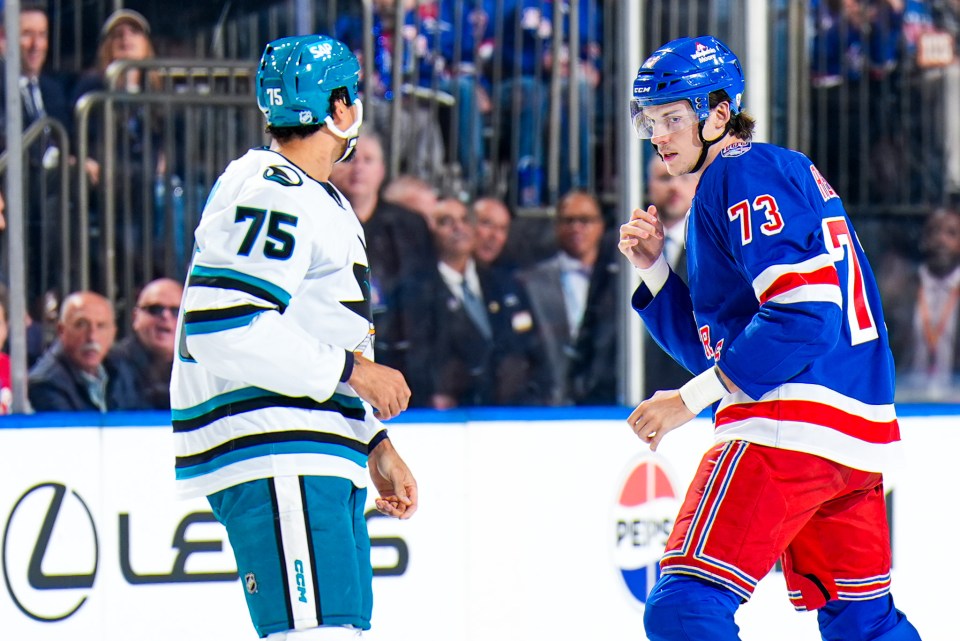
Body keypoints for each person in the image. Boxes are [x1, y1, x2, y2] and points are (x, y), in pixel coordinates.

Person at [619, 36, 921, 641]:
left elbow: (804, 314)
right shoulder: (764, 174)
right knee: (865, 625)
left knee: (684, 609)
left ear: (719, 113)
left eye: (674, 117)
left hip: (787, 426)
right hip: (851, 438)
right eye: (650, 120)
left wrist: (688, 400)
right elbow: (731, 344)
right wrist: (656, 270)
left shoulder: (742, 171)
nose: (659, 134)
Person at [170, 35, 417, 640]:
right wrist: (357, 374)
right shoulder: (273, 189)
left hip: (317, 447)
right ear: (339, 109)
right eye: (351, 95)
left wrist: (372, 438)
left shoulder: (313, 196)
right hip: (281, 449)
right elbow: (221, 326)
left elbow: (319, 330)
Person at [391, 197, 546, 407]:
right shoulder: (415, 291)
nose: (458, 228)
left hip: (510, 412)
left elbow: (533, 348)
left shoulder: (504, 284)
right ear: (431, 230)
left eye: (465, 220)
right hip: (448, 415)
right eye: (446, 221)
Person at [0, 1, 72, 318]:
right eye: (26, 34)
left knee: (73, 182)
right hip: (13, 183)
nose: (35, 45)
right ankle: (33, 296)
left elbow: (66, 139)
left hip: (47, 187)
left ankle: (60, 291)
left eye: (42, 35)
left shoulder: (53, 90)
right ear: (3, 38)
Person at [518, 189, 619, 405]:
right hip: (545, 400)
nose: (576, 228)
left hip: (605, 398)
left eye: (585, 220)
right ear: (556, 226)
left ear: (601, 225)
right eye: (569, 220)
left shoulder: (619, 281)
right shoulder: (530, 281)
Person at [881, 206, 960, 401]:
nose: (941, 240)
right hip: (905, 395)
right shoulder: (902, 288)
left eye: (951, 233)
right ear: (923, 240)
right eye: (934, 231)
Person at [27, 290, 144, 412]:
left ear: (113, 333)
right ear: (61, 331)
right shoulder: (45, 383)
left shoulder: (122, 368)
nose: (92, 337)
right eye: (81, 325)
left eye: (101, 326)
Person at [642, 154, 697, 396]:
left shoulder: (714, 244)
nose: (675, 186)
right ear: (648, 185)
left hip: (691, 385)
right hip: (634, 384)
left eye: (684, 178)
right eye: (665, 178)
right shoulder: (627, 243)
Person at [112, 277, 183, 409]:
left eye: (175, 311)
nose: (165, 316)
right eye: (155, 309)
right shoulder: (112, 365)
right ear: (135, 317)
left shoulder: (201, 365)